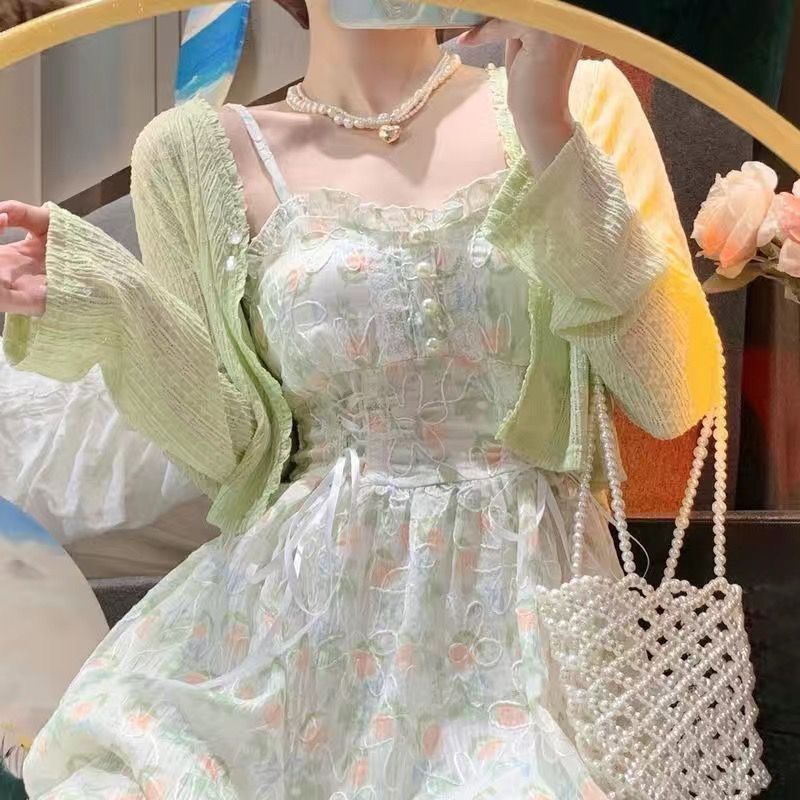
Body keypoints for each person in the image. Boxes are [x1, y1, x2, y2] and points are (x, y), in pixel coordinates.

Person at [0, 0, 722, 797]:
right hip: (290, 626)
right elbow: (230, 455)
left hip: (520, 621)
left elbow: (671, 395)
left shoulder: (576, 96)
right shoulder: (194, 154)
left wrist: (549, 132)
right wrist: (114, 306)